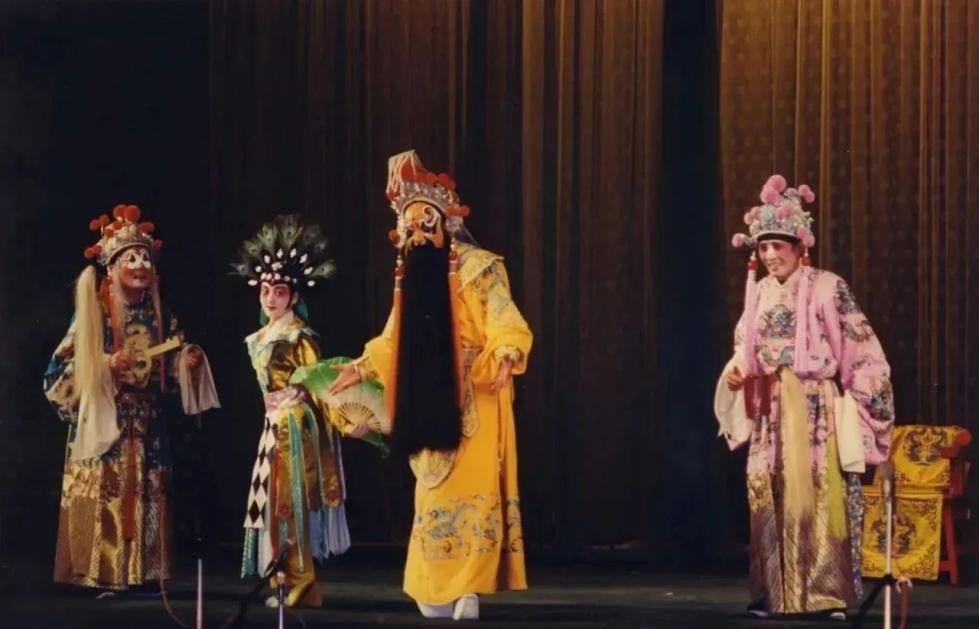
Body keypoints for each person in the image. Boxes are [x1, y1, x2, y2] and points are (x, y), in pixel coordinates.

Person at [330, 150, 533, 621]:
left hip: (475, 389)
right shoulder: (413, 279)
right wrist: (361, 368)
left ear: (448, 222)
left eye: (427, 223)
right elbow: (392, 336)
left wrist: (506, 351)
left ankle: (470, 587)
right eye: (410, 228)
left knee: (474, 488)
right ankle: (433, 582)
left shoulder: (479, 268)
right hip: (427, 392)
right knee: (431, 489)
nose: (419, 234)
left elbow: (504, 318)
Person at [715, 175, 894, 620]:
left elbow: (862, 352)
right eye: (763, 248)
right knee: (767, 492)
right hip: (771, 409)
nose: (771, 255)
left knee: (818, 495)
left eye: (779, 245)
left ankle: (825, 593)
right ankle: (774, 594)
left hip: (816, 411)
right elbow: (745, 347)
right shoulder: (756, 294)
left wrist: (866, 408)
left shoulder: (828, 287)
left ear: (800, 246)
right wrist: (739, 373)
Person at [44, 204, 216, 592]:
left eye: (144, 257)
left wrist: (186, 364)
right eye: (130, 258)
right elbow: (57, 373)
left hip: (147, 426)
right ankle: (102, 572)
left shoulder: (161, 314)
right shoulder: (96, 313)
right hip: (109, 422)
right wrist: (105, 364)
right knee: (108, 492)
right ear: (112, 268)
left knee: (147, 495)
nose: (140, 264)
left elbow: (168, 366)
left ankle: (143, 572)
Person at [231, 214, 365, 608]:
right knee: (272, 504)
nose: (271, 298)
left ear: (293, 297)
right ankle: (281, 579)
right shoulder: (263, 336)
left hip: (297, 428)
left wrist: (343, 422)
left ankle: (302, 582)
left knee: (293, 504)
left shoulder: (299, 337)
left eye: (279, 292)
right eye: (266, 291)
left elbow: (321, 384)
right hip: (273, 426)